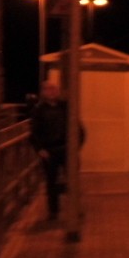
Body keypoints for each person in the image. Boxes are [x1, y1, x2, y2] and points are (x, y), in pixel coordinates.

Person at [29, 80, 82, 220]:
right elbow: (34, 132)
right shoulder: (38, 110)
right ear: (43, 92)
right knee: (51, 182)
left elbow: (78, 127)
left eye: (54, 88)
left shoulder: (66, 107)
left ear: (58, 91)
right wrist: (39, 149)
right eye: (48, 89)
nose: (51, 91)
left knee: (73, 180)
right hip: (49, 151)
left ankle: (74, 208)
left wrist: (76, 146)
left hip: (67, 149)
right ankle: (53, 211)